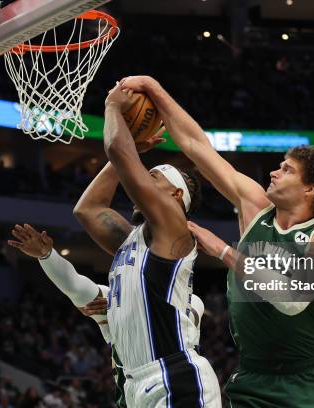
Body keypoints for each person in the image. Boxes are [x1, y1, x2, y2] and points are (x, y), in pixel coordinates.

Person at [120, 76, 314, 408]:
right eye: (279, 167)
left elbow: (293, 297)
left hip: (313, 382)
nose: (275, 173)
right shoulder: (255, 207)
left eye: (287, 170)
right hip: (254, 380)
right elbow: (195, 145)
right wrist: (153, 88)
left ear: (311, 189)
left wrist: (224, 251)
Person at [72, 83, 221, 407]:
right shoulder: (133, 242)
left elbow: (116, 149)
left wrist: (113, 107)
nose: (140, 182)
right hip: (136, 382)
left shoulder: (172, 226)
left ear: (175, 194)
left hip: (175, 377)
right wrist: (126, 156)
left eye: (152, 178)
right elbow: (88, 210)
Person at [8, 225, 209, 408]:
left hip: (177, 391)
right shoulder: (115, 298)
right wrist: (47, 256)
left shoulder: (191, 302)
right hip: (134, 398)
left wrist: (121, 307)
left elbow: (170, 316)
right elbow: (76, 287)